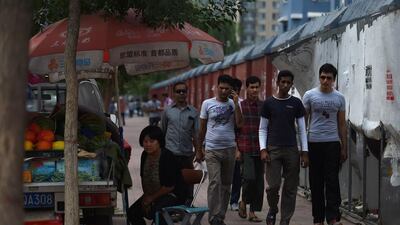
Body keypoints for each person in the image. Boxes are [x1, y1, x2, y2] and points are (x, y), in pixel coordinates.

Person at [259, 70, 309, 225]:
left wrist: (304, 152)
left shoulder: (296, 103)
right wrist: (263, 149)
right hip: (273, 149)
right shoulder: (268, 103)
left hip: (292, 150)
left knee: (290, 188)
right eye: (283, 82)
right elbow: (262, 128)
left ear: (291, 84)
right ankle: (273, 209)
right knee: (273, 186)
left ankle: (285, 220)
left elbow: (302, 129)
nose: (286, 85)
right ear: (277, 82)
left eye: (289, 82)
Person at [302, 63, 347, 225]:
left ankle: (332, 217)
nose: (325, 81)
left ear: (334, 80)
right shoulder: (309, 95)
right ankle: (318, 219)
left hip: (332, 144)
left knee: (332, 181)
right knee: (316, 182)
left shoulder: (339, 98)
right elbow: (302, 123)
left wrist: (344, 147)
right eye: (322, 77)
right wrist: (303, 149)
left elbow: (342, 124)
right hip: (314, 143)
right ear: (319, 77)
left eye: (329, 78)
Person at [197, 74, 243, 225]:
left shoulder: (234, 104)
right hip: (212, 150)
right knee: (215, 182)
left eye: (226, 89)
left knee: (226, 185)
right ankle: (213, 217)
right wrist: (199, 149)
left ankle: (220, 217)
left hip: (229, 149)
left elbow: (240, 124)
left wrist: (236, 104)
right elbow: (202, 128)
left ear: (231, 90)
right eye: (221, 88)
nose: (223, 91)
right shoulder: (207, 104)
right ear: (217, 87)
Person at [127, 126, 185, 225]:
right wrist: (146, 197)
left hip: (172, 195)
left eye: (152, 141)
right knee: (132, 212)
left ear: (159, 142)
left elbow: (169, 186)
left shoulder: (167, 156)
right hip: (152, 194)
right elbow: (143, 178)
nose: (148, 144)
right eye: (145, 141)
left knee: (157, 212)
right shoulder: (144, 155)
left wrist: (151, 199)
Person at [161, 81, 199, 205]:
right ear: (174, 94)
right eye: (178, 91)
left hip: (187, 154)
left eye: (184, 91)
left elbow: (196, 134)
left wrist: (199, 152)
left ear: (187, 93)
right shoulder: (167, 111)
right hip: (170, 153)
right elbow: (163, 130)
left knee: (187, 182)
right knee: (171, 182)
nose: (181, 93)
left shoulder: (194, 112)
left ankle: (186, 206)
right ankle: (172, 208)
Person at [236, 76, 264, 222]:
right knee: (249, 178)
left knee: (259, 182)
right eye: (251, 87)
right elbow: (235, 128)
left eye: (257, 87)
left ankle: (253, 212)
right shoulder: (240, 106)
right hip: (245, 146)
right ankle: (243, 201)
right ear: (246, 88)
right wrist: (237, 149)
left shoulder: (264, 106)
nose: (254, 90)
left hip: (261, 148)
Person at [229, 78, 243, 211]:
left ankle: (234, 200)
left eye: (235, 90)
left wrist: (238, 148)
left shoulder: (241, 104)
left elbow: (241, 128)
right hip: (223, 144)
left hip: (237, 143)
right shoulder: (219, 103)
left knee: (237, 175)